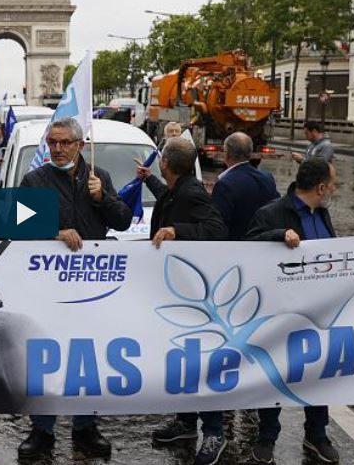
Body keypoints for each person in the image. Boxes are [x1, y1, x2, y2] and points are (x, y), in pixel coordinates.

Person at [16, 117, 132, 459]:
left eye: (65, 142)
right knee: (47, 357)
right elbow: (14, 227)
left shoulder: (100, 178)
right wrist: (54, 234)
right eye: (53, 142)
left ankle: (85, 426)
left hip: (91, 287)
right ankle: (42, 428)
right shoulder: (34, 180)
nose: (57, 148)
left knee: (88, 357)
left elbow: (123, 220)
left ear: (81, 145)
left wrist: (102, 199)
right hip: (48, 288)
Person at [245, 158, 340, 464]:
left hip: (319, 313)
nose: (334, 189)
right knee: (274, 372)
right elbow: (244, 247)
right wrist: (277, 236)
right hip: (279, 311)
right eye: (333, 183)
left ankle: (317, 435)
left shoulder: (323, 215)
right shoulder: (271, 213)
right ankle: (266, 436)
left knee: (318, 374)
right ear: (321, 187)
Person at [145, 138, 228, 465]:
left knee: (201, 362)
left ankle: (214, 431)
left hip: (196, 293)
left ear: (166, 162)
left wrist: (175, 231)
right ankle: (185, 422)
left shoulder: (192, 192)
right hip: (178, 289)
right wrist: (147, 179)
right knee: (183, 361)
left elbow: (216, 229)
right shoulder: (178, 189)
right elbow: (168, 199)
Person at [211, 132, 280, 240]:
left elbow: (218, 226)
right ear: (250, 153)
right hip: (265, 244)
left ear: (227, 153)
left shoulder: (225, 185)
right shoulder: (267, 178)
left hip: (236, 248)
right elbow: (277, 210)